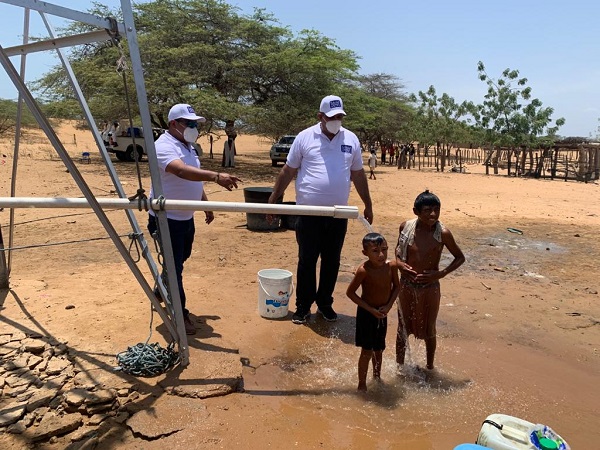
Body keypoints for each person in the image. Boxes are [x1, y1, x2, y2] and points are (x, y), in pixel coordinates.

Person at [268, 94, 374, 324]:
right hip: (308, 212)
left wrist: (368, 203)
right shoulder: (305, 138)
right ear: (320, 116)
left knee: (332, 260)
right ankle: (303, 306)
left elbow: (357, 173)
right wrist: (274, 199)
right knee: (307, 259)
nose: (337, 120)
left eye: (340, 116)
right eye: (332, 117)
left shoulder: (351, 139)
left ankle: (325, 304)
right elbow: (288, 171)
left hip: (338, 213)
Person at [148, 103, 242, 335]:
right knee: (175, 267)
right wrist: (216, 175)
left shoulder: (188, 146)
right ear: (173, 124)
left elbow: (192, 178)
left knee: (181, 259)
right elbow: (180, 171)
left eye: (195, 124)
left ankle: (162, 287)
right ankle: (180, 313)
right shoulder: (163, 146)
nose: (194, 128)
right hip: (166, 218)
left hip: (186, 216)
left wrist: (205, 203)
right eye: (189, 124)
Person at [395, 190, 465, 371]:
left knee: (429, 328)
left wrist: (440, 274)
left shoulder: (443, 233)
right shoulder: (406, 227)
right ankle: (400, 368)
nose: (433, 215)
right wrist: (401, 265)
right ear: (416, 211)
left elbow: (459, 258)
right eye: (427, 210)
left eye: (436, 209)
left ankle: (430, 367)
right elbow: (398, 252)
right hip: (406, 285)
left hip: (430, 286)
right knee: (403, 328)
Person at [346, 233, 400, 391]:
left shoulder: (391, 266)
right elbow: (351, 293)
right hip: (366, 314)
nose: (381, 255)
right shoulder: (364, 271)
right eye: (375, 251)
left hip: (382, 313)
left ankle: (377, 377)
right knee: (366, 351)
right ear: (365, 253)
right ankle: (361, 384)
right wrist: (370, 309)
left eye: (384, 249)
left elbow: (397, 287)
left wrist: (389, 306)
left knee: (379, 348)